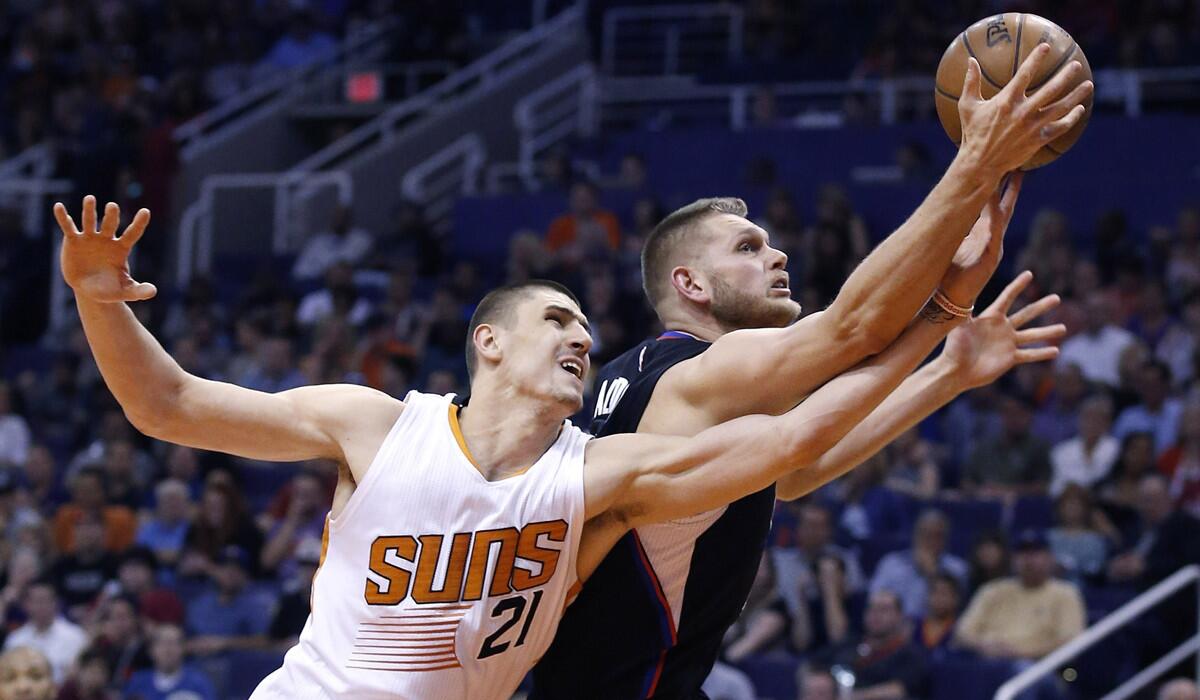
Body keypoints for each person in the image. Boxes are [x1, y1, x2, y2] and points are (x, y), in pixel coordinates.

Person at [54, 189, 1064, 700]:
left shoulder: (591, 474)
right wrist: (101, 303)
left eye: (585, 320)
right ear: (486, 342)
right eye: (554, 317)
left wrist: (942, 350)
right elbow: (170, 404)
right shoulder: (380, 423)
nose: (579, 333)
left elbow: (797, 447)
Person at [536, 41, 1089, 696]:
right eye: (747, 248)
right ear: (690, 284)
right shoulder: (704, 368)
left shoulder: (638, 378)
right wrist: (974, 165)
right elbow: (855, 328)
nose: (777, 258)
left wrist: (946, 373)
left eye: (771, 244)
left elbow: (795, 472)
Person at [955, 530, 1086, 661]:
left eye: (1035, 553)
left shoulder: (1065, 593)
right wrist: (982, 645)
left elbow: (1071, 644)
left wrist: (1020, 653)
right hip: (987, 662)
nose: (1028, 560)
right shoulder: (992, 590)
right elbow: (961, 634)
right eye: (1022, 554)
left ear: (1050, 558)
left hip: (1036, 667)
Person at [869, 509, 967, 618]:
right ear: (915, 535)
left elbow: (958, 608)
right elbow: (874, 600)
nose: (931, 541)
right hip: (895, 627)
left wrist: (933, 574)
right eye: (925, 534)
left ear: (946, 539)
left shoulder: (957, 569)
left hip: (936, 628)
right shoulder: (891, 563)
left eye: (937, 535)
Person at [2, 582, 87, 682]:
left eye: (45, 600)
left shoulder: (76, 637)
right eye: (36, 601)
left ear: (55, 603)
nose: (41, 606)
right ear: (27, 605)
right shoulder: (15, 640)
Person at [124, 624, 216, 700]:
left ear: (183, 649)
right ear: (151, 650)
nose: (168, 649)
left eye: (174, 643)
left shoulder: (198, 683)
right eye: (162, 643)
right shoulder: (138, 682)